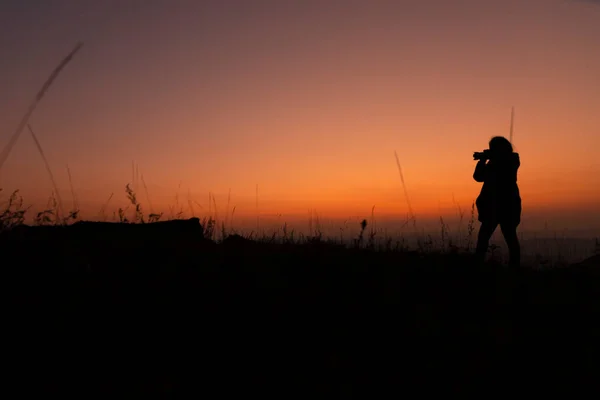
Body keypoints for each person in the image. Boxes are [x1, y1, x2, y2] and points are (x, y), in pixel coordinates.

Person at [473, 136, 521, 267]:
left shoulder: (512, 159)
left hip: (506, 205)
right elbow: (478, 177)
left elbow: (503, 166)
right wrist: (483, 160)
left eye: (493, 148)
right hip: (492, 206)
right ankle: (478, 265)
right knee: (483, 238)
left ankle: (514, 267)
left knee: (510, 237)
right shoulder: (493, 162)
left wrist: (488, 157)